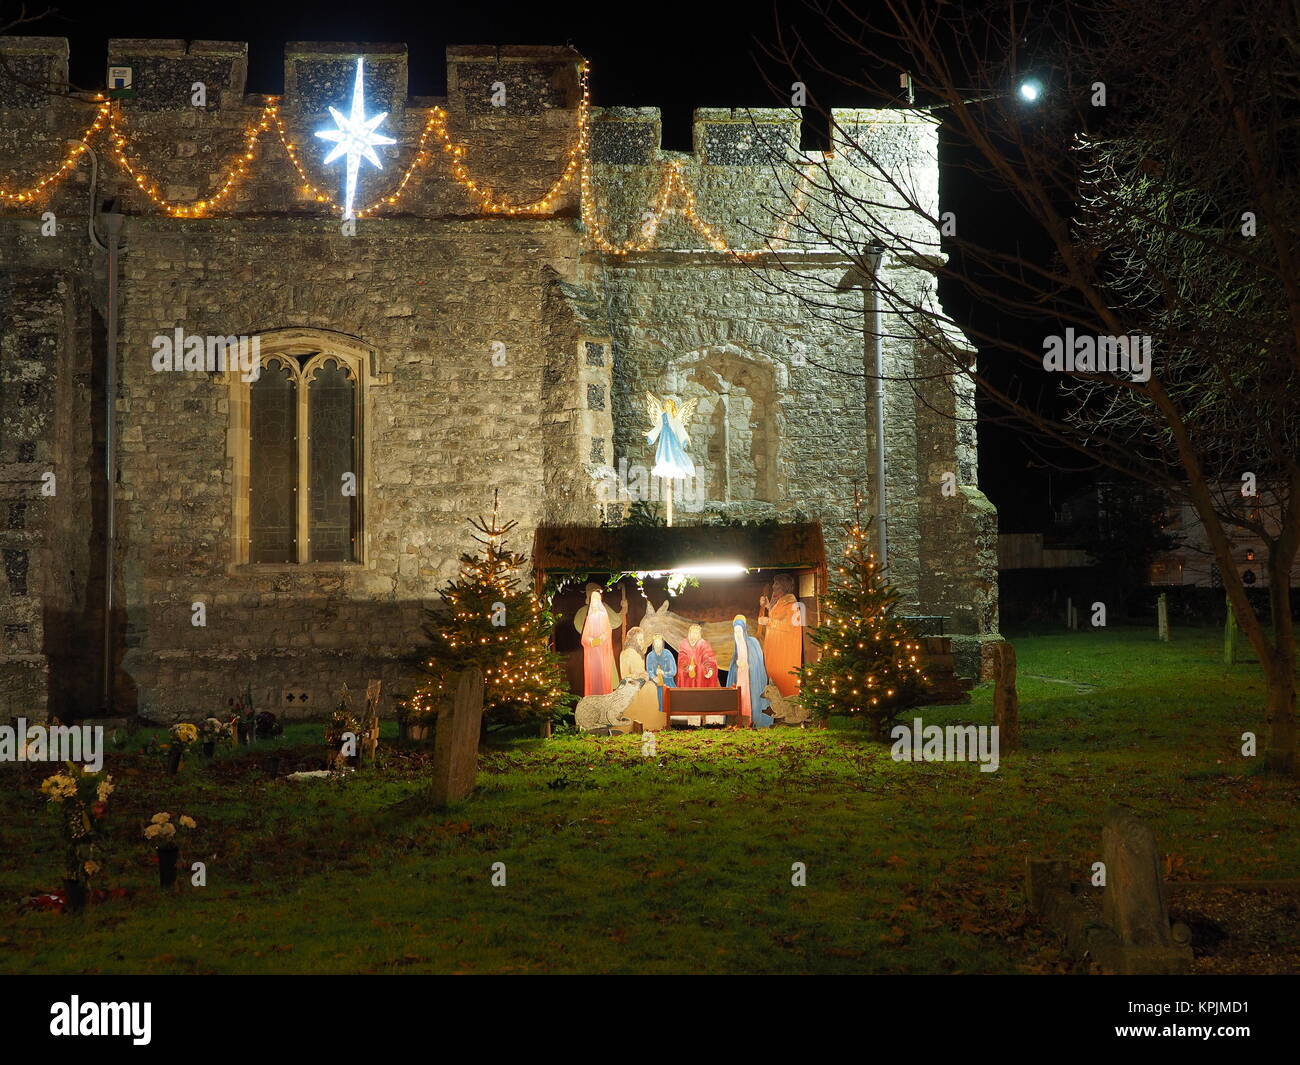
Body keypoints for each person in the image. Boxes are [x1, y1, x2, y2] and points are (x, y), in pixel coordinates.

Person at [758, 573, 803, 697]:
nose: (773, 586)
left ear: (784, 585)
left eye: (776, 583)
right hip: (775, 650)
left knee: (784, 684)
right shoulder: (781, 602)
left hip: (784, 652)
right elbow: (777, 615)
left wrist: (769, 621)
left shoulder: (793, 605)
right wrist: (768, 606)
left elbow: (790, 625)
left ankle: (788, 706)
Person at [726, 615, 772, 727]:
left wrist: (747, 665)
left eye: (739, 631)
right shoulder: (737, 647)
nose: (737, 634)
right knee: (740, 698)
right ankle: (741, 721)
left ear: (744, 630)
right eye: (735, 631)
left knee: (751, 699)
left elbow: (758, 662)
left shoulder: (753, 643)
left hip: (751, 679)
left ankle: (753, 720)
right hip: (740, 679)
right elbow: (733, 666)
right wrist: (737, 665)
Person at [580, 588, 616, 696]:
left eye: (596, 600)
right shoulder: (589, 618)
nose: (594, 603)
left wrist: (600, 639)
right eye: (592, 601)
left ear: (599, 601)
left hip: (602, 652)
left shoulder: (604, 616)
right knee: (593, 676)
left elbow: (608, 632)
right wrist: (591, 641)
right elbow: (584, 637)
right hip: (592, 654)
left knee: (602, 675)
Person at [645, 633, 678, 711]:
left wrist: (664, 673)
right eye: (656, 642)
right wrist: (653, 677)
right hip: (655, 685)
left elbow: (673, 671)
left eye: (659, 642)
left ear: (662, 643)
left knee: (670, 706)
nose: (658, 644)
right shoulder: (650, 656)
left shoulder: (668, 654)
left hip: (668, 684)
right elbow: (649, 670)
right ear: (653, 644)